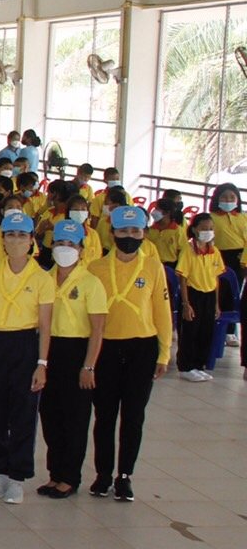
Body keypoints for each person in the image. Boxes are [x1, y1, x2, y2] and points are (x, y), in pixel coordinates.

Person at [86, 205, 171, 501]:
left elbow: (162, 312)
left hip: (142, 348)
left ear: (144, 234)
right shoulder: (95, 268)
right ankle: (103, 474)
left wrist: (164, 353)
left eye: (136, 231)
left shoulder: (153, 267)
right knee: (104, 415)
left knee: (133, 416)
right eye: (123, 231)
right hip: (106, 348)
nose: (129, 236)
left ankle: (125, 476)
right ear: (112, 234)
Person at [0, 211, 54, 505]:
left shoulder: (42, 278)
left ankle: (18, 477)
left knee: (23, 413)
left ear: (32, 240)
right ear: (2, 240)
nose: (16, 241)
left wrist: (42, 364)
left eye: (22, 235)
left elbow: (45, 325)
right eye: (11, 235)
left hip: (26, 344)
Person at [38, 220, 107, 499]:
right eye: (59, 243)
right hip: (49, 350)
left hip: (77, 351)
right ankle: (55, 474)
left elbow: (98, 329)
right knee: (50, 415)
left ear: (81, 249)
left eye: (70, 244)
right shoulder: (44, 278)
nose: (64, 248)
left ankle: (70, 477)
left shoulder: (91, 282)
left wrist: (89, 366)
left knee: (75, 417)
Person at [175, 213, 225, 382]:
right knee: (190, 331)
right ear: (195, 229)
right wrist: (186, 303)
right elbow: (183, 278)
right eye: (203, 228)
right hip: (193, 294)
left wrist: (216, 304)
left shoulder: (214, 251)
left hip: (209, 295)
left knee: (205, 331)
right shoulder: (188, 250)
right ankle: (186, 367)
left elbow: (216, 278)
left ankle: (198, 365)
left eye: (210, 228)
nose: (208, 231)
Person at [209, 183, 243, 350]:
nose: (228, 200)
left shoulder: (242, 218)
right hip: (217, 256)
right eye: (224, 197)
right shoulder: (211, 218)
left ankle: (229, 332)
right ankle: (213, 328)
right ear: (217, 199)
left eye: (232, 197)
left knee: (233, 294)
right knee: (216, 292)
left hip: (238, 259)